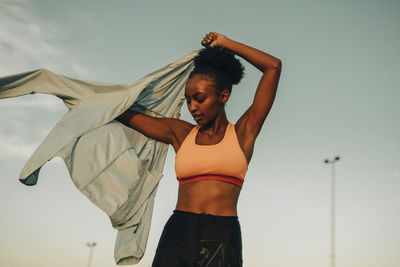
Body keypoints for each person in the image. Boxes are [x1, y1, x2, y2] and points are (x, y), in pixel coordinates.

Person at [116, 32, 281, 267]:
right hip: (177, 234)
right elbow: (126, 114)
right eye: (188, 99)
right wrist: (90, 102)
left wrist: (225, 44)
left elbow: (273, 67)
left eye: (199, 98)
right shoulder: (181, 134)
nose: (192, 107)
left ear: (223, 96)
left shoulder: (243, 133)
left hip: (222, 237)